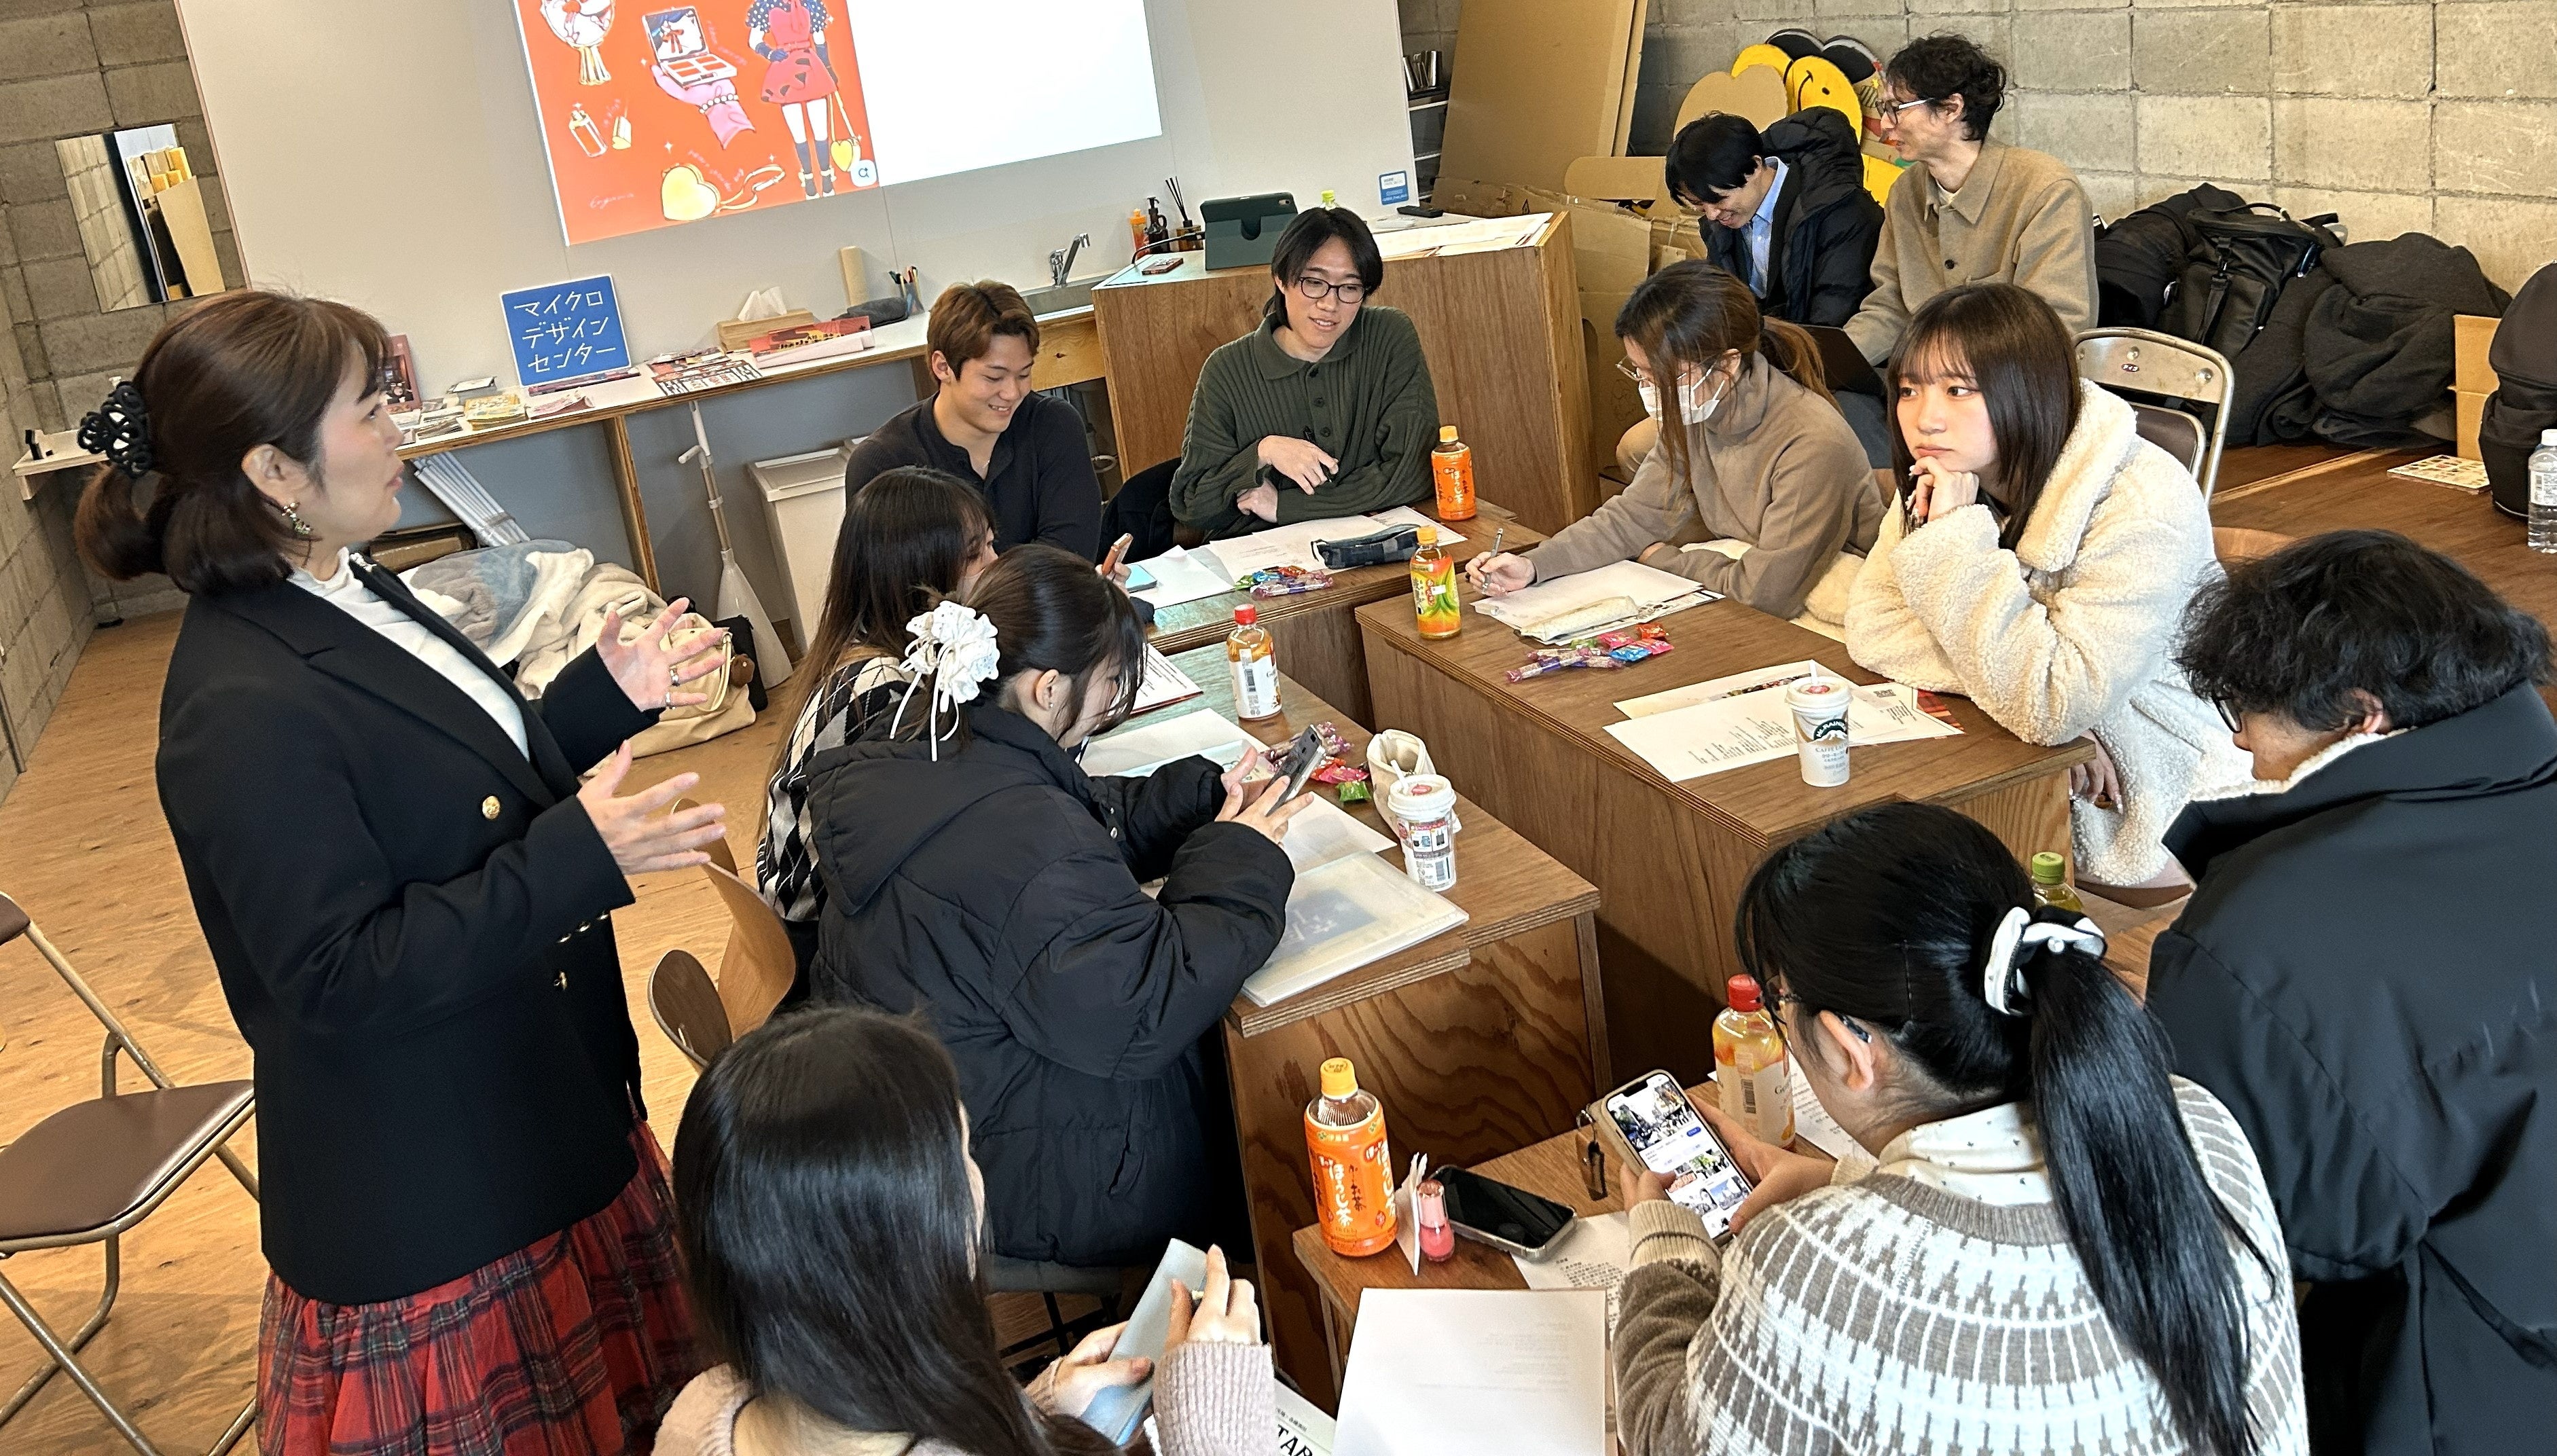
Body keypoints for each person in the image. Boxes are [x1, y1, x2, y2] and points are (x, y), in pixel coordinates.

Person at [75, 291, 729, 1455]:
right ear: (275, 469)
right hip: (444, 1196)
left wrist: (597, 698)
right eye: (370, 411)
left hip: (536, 1112)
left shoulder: (342, 580)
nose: (399, 432)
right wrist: (582, 858)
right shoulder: (239, 703)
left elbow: (452, 792)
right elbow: (336, 977)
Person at [1613, 802, 2305, 1456]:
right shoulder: (2193, 1121)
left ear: (1853, 1048)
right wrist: (1843, 1181)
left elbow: (1668, 1435)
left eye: (1779, 999)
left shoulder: (1811, 1269)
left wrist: (1664, 1242)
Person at [2148, 531, 2557, 1453]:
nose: (2241, 742)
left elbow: (2269, 1236)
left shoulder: (2262, 936)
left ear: (2360, 717)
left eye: (2250, 712)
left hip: (2461, 1385)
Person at [804, 545, 1305, 1269]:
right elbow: (1146, 1004)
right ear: (1046, 689)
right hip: (1016, 1170)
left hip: (920, 1123)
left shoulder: (931, 741)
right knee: (1264, 1096)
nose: (1110, 703)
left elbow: (1079, 816)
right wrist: (1242, 850)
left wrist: (1202, 799)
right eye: (1110, 683)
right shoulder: (1024, 832)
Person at [661, 1006, 1273, 1456]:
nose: (977, 1180)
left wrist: (1030, 1415)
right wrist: (1214, 1428)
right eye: (963, 1155)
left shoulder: (704, 1411)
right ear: (915, 1242)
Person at [1844, 283, 2245, 897]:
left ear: (2027, 389)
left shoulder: (2142, 502)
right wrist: (2035, 701)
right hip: (2037, 745)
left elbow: (2054, 701)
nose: (1925, 418)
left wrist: (1954, 544)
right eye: (1908, 389)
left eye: (1959, 390)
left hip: (2157, 775)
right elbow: (1873, 627)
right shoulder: (1945, 478)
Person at [1466, 261, 1880, 629]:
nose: (1651, 389)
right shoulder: (1699, 406)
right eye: (1641, 374)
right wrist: (1534, 565)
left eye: (1661, 376)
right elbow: (1635, 516)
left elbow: (1766, 592)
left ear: (1728, 362)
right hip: (1751, 582)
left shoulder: (1811, 443)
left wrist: (1662, 560)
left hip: (1828, 606)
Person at [758, 467, 996, 977]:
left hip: (811, 912)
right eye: (976, 554)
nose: (996, 564)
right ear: (922, 571)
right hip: (822, 941)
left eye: (991, 545)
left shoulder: (866, 651)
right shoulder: (886, 688)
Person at [1837, 35, 2098, 463]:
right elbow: (1891, 306)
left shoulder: (2045, 189)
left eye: (1896, 108)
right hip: (1930, 391)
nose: (1884, 126)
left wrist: (1950, 381)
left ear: (1952, 109)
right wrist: (1822, 365)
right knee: (1829, 409)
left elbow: (2057, 325)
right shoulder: (1905, 193)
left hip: (2013, 399)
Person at [1166, 207, 1440, 539]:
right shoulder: (1227, 370)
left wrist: (1286, 506)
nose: (1330, 304)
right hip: (1263, 555)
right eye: (1314, 283)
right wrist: (1262, 453)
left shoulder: (1389, 337)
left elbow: (1417, 472)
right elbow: (1193, 505)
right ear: (1281, 279)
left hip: (1377, 541)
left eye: (1350, 288)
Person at [844, 280, 1103, 558]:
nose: (1013, 393)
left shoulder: (1054, 425)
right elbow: (891, 580)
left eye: (1024, 374)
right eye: (994, 377)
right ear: (943, 367)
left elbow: (1071, 556)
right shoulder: (882, 463)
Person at [1673, 110, 1883, 330]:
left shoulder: (1840, 212)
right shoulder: (1725, 224)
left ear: (1755, 167)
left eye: (1719, 199)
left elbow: (1831, 323)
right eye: (1698, 204)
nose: (1711, 215)